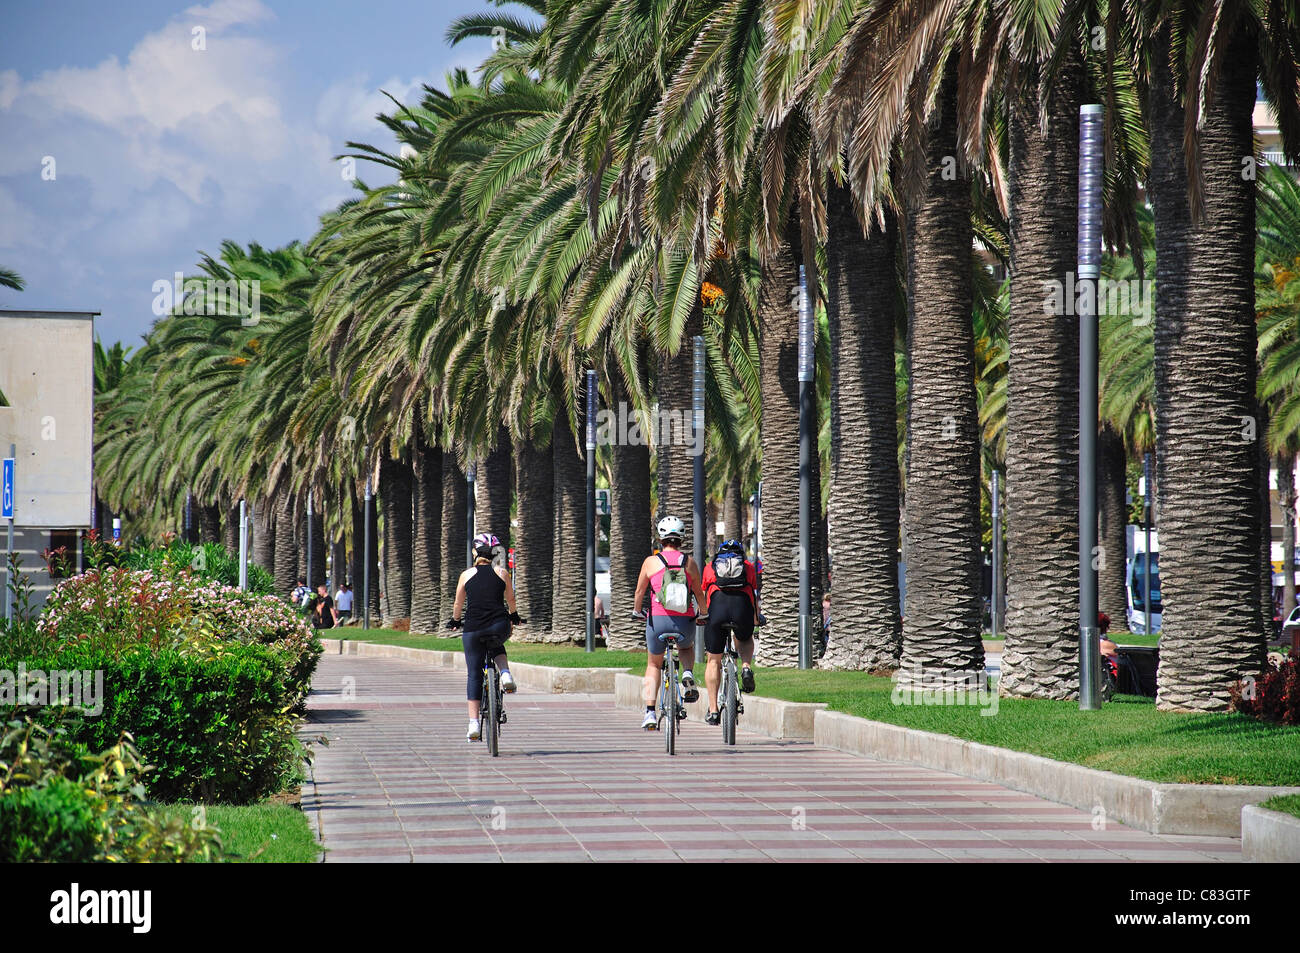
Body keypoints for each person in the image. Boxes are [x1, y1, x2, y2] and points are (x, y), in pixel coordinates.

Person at [633, 516, 708, 730]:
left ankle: (649, 713)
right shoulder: (690, 563)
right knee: (686, 646)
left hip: (658, 621)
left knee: (653, 664)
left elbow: (639, 592)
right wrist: (703, 614)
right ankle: (687, 673)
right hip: (684, 621)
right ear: (681, 538)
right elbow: (699, 593)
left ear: (661, 537)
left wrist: (637, 611)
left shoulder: (650, 562)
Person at [448, 532, 524, 742]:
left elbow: (458, 605)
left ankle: (473, 724)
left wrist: (455, 621)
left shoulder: (466, 575)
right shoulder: (502, 573)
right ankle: (506, 673)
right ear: (493, 553)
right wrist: (514, 617)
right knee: (497, 641)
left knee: (474, 673)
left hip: (473, 628)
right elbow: (511, 599)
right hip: (499, 624)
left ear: (475, 552)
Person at [699, 539, 761, 725]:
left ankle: (713, 710)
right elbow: (753, 594)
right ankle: (746, 667)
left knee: (713, 660)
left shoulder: (710, 567)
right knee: (744, 638)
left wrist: (702, 617)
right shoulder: (748, 567)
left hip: (716, 613)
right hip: (741, 612)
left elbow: (704, 594)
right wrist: (756, 619)